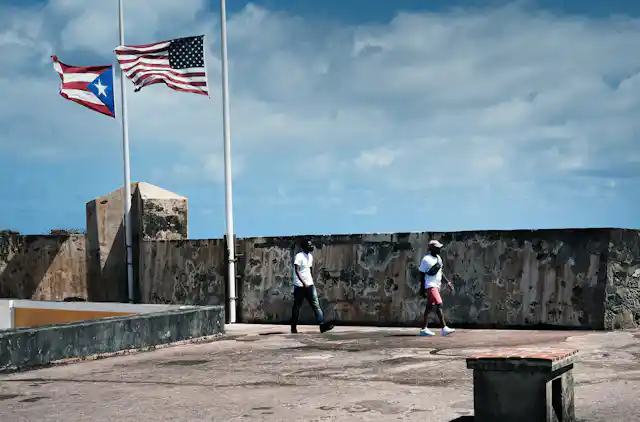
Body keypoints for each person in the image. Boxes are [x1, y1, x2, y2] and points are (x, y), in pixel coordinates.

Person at [290, 240, 334, 334]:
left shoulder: (310, 256)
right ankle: (293, 327)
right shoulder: (299, 256)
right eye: (309, 245)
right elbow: (297, 270)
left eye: (311, 244)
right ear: (304, 246)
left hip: (310, 285)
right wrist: (303, 282)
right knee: (297, 307)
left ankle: (322, 325)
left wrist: (310, 281)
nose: (311, 246)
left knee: (316, 305)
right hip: (300, 286)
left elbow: (309, 270)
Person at [418, 239, 456, 336]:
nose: (440, 249)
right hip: (430, 285)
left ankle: (424, 329)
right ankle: (444, 328)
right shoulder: (426, 259)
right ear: (432, 249)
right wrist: (422, 289)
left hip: (437, 285)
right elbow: (421, 275)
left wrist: (447, 282)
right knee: (439, 304)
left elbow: (440, 272)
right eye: (438, 248)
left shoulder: (439, 258)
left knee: (429, 307)